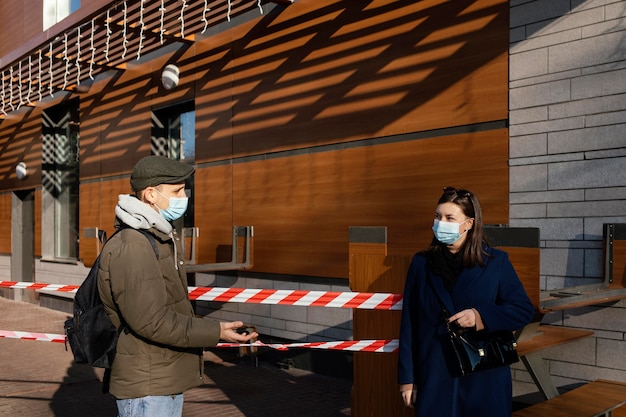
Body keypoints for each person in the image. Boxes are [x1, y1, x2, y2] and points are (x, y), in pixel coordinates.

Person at [97, 155, 257, 417]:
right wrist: (215, 331)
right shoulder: (134, 245)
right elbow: (152, 321)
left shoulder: (156, 237)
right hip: (148, 386)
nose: (184, 196)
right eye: (177, 190)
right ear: (150, 194)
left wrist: (215, 330)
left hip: (161, 377)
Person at [397, 186, 534, 417]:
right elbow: (409, 323)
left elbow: (523, 309)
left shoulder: (496, 262)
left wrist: (480, 316)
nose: (441, 222)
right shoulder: (421, 263)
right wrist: (407, 379)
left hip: (483, 376)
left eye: (450, 218)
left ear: (469, 223)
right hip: (435, 373)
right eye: (438, 216)